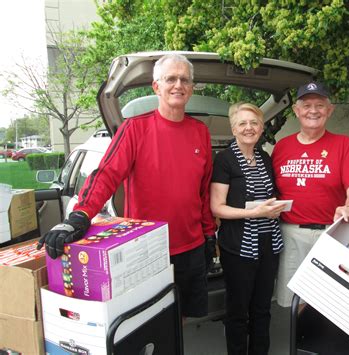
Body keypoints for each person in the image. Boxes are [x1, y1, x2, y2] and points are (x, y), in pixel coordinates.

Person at [37, 53, 217, 318]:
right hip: (147, 249)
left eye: (184, 80)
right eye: (170, 79)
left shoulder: (200, 131)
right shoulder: (134, 129)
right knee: (151, 322)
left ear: (190, 88)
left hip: (191, 248)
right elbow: (106, 174)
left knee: (183, 319)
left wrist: (209, 234)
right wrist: (79, 215)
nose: (178, 85)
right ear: (156, 86)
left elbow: (203, 190)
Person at [272, 81, 349, 307]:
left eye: (320, 105)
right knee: (293, 302)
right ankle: (296, 342)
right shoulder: (282, 147)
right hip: (291, 235)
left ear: (329, 110)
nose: (313, 111)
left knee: (332, 301)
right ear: (296, 111)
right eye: (306, 105)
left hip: (331, 233)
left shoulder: (343, 144)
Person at [210, 102, 286, 355]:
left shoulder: (264, 157)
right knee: (238, 311)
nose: (248, 128)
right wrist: (253, 213)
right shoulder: (224, 160)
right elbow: (217, 207)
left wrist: (275, 206)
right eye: (242, 123)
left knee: (263, 308)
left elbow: (268, 195)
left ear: (262, 127)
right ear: (233, 129)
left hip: (269, 243)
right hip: (239, 246)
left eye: (254, 123)